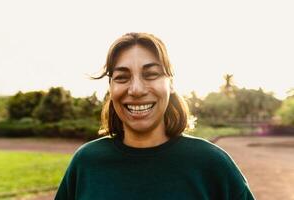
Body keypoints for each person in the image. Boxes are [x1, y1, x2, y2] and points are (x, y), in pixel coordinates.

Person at [55, 32, 255, 199]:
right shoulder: (86, 163)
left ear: (171, 84)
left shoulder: (211, 164)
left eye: (151, 74)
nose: (136, 89)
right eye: (122, 77)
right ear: (111, 87)